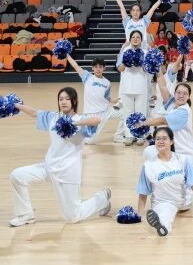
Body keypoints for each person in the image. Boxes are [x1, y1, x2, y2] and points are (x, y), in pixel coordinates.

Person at [7, 87, 113, 227]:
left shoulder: (80, 120)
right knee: (16, 176)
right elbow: (34, 112)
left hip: (68, 173)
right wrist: (15, 105)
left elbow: (97, 120)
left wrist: (73, 123)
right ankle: (26, 214)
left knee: (72, 217)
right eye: (61, 99)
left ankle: (102, 199)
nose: (63, 102)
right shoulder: (53, 117)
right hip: (48, 167)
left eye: (67, 99)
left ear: (74, 101)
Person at [137, 126, 193, 237]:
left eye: (164, 138)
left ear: (171, 141)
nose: (161, 141)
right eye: (158, 139)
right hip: (164, 202)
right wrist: (139, 215)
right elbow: (143, 193)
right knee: (165, 215)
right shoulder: (148, 166)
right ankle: (163, 228)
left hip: (184, 201)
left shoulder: (182, 159)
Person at [66, 55, 118, 144]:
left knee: (124, 113)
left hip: (106, 111)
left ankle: (119, 135)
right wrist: (67, 55)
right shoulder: (87, 77)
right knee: (89, 141)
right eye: (96, 67)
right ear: (92, 68)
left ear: (104, 68)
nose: (98, 69)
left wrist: (118, 100)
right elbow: (76, 66)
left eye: (100, 67)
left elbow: (108, 98)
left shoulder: (107, 83)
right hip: (91, 114)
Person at [113, 30, 150, 145]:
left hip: (141, 87)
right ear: (130, 39)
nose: (135, 39)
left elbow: (148, 69)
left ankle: (140, 135)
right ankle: (129, 135)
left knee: (141, 112)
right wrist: (127, 61)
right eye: (133, 37)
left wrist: (141, 62)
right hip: (127, 87)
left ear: (141, 40)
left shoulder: (145, 52)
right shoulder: (124, 51)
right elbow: (119, 68)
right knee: (127, 113)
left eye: (138, 37)